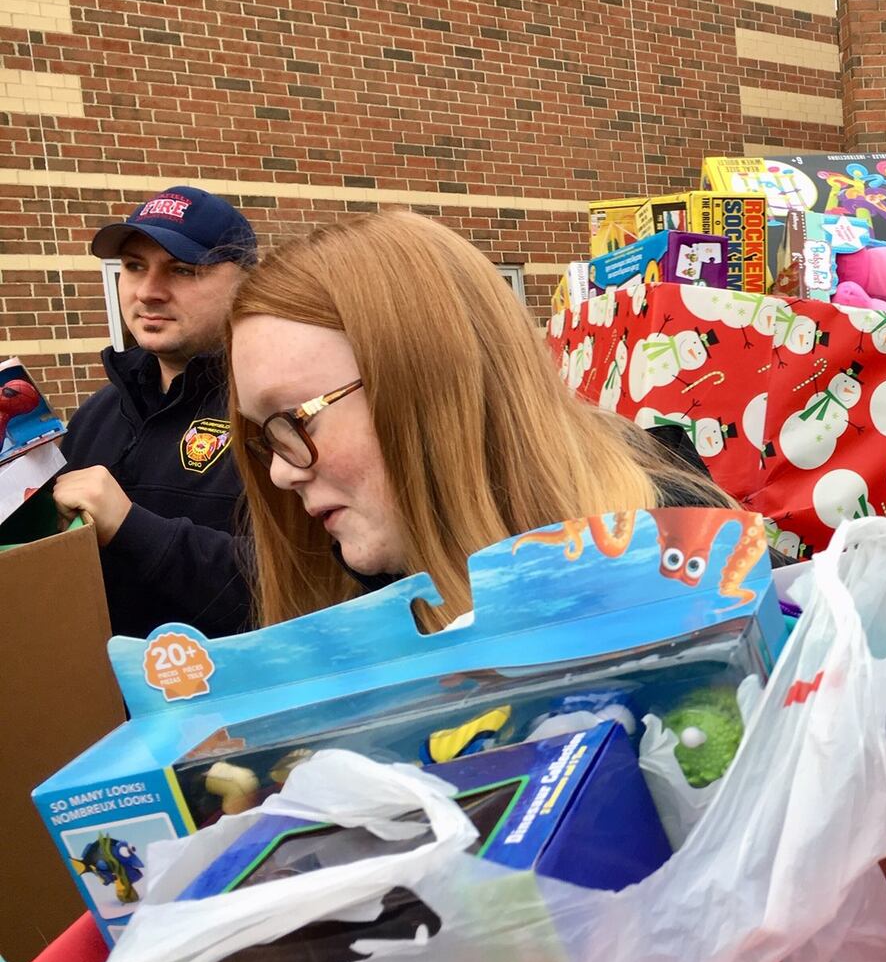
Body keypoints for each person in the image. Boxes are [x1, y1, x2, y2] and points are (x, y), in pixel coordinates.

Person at [226, 210, 732, 628]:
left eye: (295, 419)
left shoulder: (695, 578)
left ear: (429, 387)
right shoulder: (360, 603)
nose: (279, 472)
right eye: (264, 434)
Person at [53, 186, 256, 639]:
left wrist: (131, 527)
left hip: (234, 700)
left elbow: (312, 585)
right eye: (133, 267)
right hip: (105, 701)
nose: (148, 292)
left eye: (182, 270)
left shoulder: (272, 412)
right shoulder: (95, 416)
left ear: (246, 283)